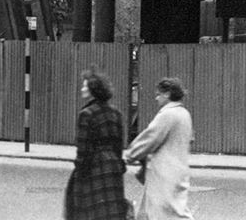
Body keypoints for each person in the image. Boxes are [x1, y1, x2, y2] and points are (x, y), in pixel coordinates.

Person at [125, 77, 194, 219]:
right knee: (150, 212)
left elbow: (149, 138)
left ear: (167, 94)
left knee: (169, 214)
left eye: (158, 94)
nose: (156, 98)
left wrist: (130, 155)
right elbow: (190, 139)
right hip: (178, 170)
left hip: (164, 173)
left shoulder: (168, 114)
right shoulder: (184, 114)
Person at [64, 70, 129, 220]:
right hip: (112, 166)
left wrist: (80, 173)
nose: (82, 89)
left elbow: (83, 148)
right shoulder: (116, 113)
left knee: (88, 211)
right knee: (111, 211)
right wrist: (118, 165)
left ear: (93, 91)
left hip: (94, 166)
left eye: (85, 86)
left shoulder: (86, 114)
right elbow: (119, 144)